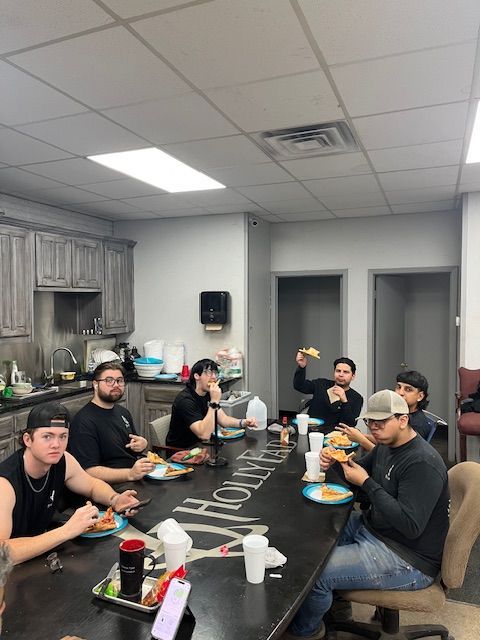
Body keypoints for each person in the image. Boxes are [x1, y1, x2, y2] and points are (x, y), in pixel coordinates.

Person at [283, 390, 449, 639]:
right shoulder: (386, 445)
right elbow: (358, 480)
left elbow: (410, 525)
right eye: (371, 421)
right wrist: (337, 465)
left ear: (403, 420)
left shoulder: (421, 462)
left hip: (408, 557)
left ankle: (305, 632)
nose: (374, 428)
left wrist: (367, 482)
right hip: (376, 529)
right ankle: (335, 611)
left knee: (316, 575)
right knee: (313, 535)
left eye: (381, 422)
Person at [0, 401, 140, 565]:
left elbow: (92, 485)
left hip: (42, 555)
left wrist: (115, 499)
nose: (56, 445)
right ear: (27, 439)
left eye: (63, 436)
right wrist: (67, 531)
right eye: (47, 436)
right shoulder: (5, 484)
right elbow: (2, 553)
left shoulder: (63, 460)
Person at [68, 362, 156, 483]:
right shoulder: (83, 422)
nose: (116, 385)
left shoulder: (123, 412)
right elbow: (89, 471)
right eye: (109, 380)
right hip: (110, 486)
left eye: (120, 380)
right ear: (95, 384)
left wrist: (141, 444)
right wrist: (129, 474)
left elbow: (131, 446)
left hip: (136, 476)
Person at [166, 359, 257, 449]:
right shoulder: (185, 400)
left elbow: (223, 420)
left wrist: (243, 422)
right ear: (197, 376)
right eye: (209, 373)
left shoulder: (207, 393)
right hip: (181, 451)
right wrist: (214, 401)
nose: (214, 377)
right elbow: (204, 434)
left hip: (201, 446)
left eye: (215, 373)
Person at [293, 354, 363, 430]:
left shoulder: (357, 398)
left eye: (346, 372)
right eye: (338, 371)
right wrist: (301, 367)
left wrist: (344, 401)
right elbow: (299, 386)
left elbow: (351, 424)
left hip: (335, 437)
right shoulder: (321, 384)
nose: (341, 374)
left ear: (353, 376)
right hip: (311, 430)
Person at [395, 370, 431, 440]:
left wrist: (366, 441)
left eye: (408, 389)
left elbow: (389, 450)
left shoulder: (416, 425)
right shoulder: (400, 414)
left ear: (420, 396)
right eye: (399, 387)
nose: (400, 393)